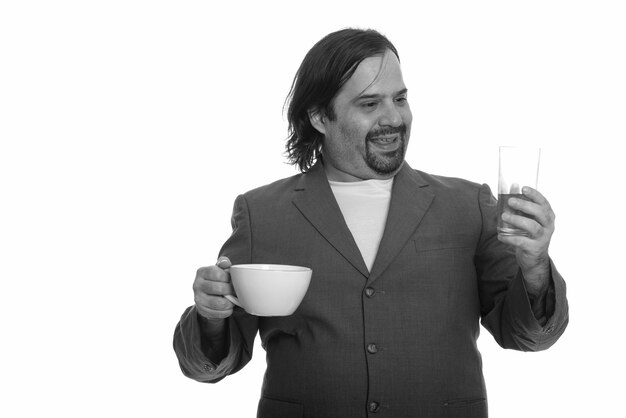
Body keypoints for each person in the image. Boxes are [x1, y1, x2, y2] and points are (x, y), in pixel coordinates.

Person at [173, 28, 568, 418]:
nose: (393, 118)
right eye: (369, 104)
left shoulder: (469, 205)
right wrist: (210, 316)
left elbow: (526, 336)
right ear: (319, 116)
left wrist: (535, 267)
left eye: (400, 98)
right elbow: (209, 365)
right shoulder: (263, 213)